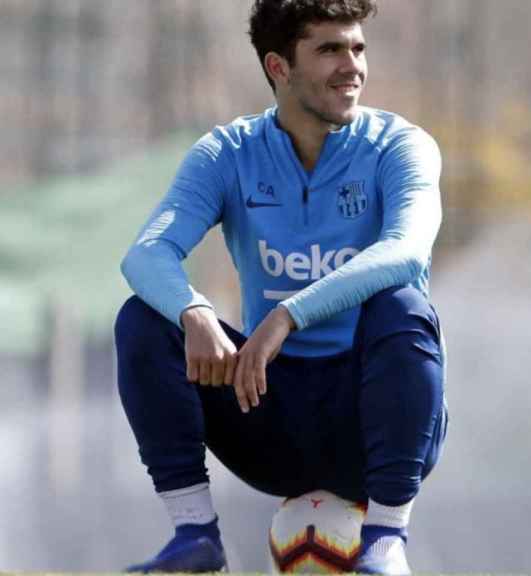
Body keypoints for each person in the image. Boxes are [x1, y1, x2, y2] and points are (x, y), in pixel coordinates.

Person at [114, 1, 447, 574]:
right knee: (143, 317)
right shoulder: (227, 153)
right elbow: (147, 254)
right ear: (279, 67)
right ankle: (195, 534)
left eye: (358, 48)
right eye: (329, 49)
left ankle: (386, 542)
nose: (353, 67)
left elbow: (406, 251)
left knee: (403, 304)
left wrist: (288, 314)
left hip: (370, 424)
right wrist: (193, 310)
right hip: (265, 408)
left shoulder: (400, 146)